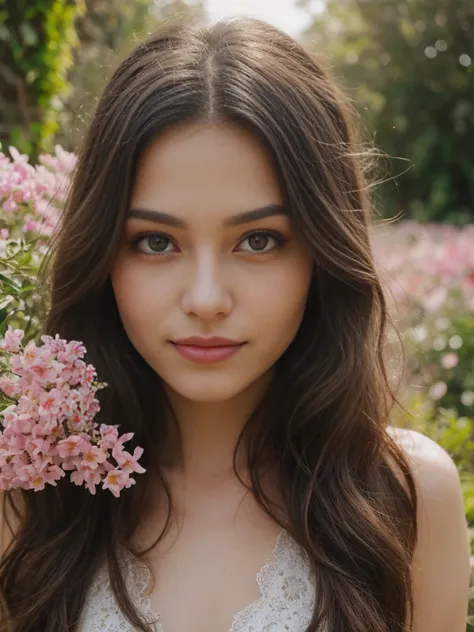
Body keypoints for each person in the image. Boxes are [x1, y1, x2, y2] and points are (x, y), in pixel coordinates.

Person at [0, 15, 471, 632]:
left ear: (322, 253)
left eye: (257, 239)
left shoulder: (407, 499)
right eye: (155, 242)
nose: (205, 298)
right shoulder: (28, 498)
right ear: (103, 254)